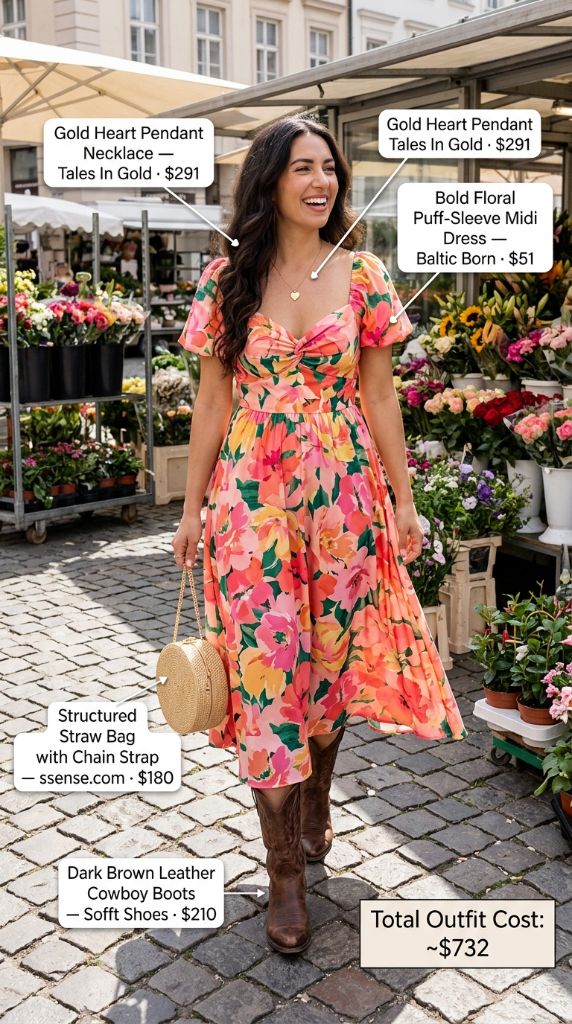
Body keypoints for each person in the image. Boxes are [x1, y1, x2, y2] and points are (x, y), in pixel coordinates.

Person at [172, 114, 467, 956]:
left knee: (328, 676)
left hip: (344, 505)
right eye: (302, 167)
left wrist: (405, 502)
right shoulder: (227, 280)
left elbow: (380, 398)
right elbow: (211, 405)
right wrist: (191, 511)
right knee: (267, 681)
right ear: (269, 180)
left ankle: (318, 799)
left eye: (331, 169)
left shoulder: (366, 276)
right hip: (251, 509)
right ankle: (285, 880)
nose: (322, 181)